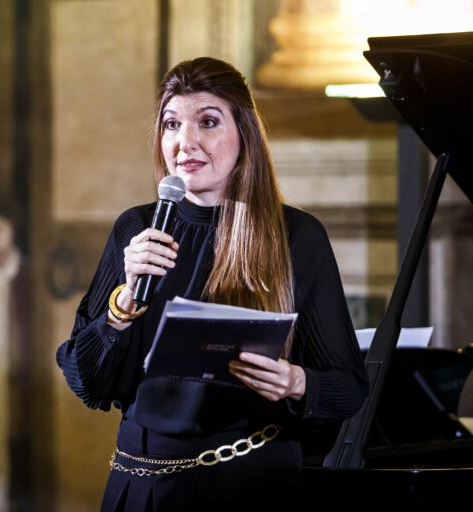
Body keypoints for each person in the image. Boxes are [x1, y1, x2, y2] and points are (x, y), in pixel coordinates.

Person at [55, 57, 369, 509]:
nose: (185, 143)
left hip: (249, 480)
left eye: (207, 122)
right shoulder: (136, 228)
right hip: (142, 481)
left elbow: (348, 385)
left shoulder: (298, 236)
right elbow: (89, 383)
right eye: (171, 124)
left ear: (245, 133)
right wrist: (121, 305)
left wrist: (296, 382)